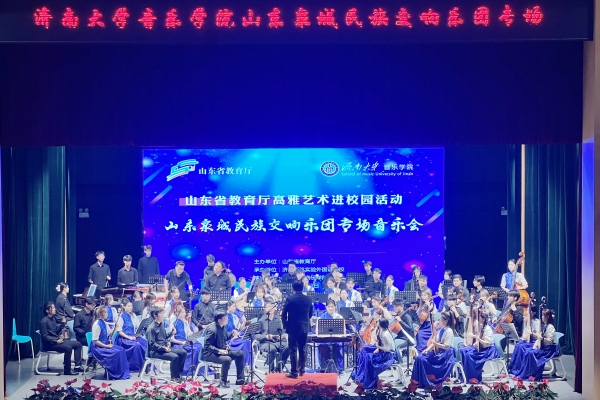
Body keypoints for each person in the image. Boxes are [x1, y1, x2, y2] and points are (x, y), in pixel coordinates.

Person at [509, 309, 559, 381]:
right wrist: (536, 344)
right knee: (528, 351)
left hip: (549, 349)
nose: (541, 317)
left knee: (530, 353)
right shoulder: (544, 325)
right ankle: (524, 371)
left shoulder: (550, 327)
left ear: (547, 316)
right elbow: (539, 338)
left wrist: (541, 338)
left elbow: (550, 341)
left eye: (543, 315)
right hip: (543, 346)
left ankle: (532, 374)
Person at [411, 312, 456, 388]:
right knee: (419, 358)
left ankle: (427, 382)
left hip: (446, 354)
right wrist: (427, 350)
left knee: (425, 361)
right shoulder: (442, 330)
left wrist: (436, 344)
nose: (439, 321)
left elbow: (446, 346)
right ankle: (417, 381)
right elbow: (435, 341)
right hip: (439, 350)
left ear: (446, 321)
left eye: (440, 319)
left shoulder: (449, 331)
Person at [39, 301, 84, 375]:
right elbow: (45, 336)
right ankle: (67, 370)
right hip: (49, 345)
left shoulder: (53, 318)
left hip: (57, 341)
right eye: (53, 307)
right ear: (47, 310)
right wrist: (56, 341)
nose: (55, 309)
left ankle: (77, 366)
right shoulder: (44, 322)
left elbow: (56, 331)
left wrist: (62, 324)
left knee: (78, 344)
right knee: (68, 348)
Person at [203, 313, 246, 387]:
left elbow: (225, 338)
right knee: (227, 359)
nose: (227, 319)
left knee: (240, 353)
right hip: (210, 354)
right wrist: (219, 351)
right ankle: (223, 381)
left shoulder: (223, 327)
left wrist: (232, 335)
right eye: (225, 318)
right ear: (219, 320)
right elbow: (207, 346)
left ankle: (240, 379)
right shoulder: (212, 330)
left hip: (221, 350)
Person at [352, 319, 396, 389]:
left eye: (378, 322)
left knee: (368, 357)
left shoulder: (385, 335)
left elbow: (388, 349)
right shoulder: (383, 332)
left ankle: (368, 381)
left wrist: (378, 347)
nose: (377, 323)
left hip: (388, 355)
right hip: (384, 351)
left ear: (380, 325)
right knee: (365, 349)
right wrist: (378, 347)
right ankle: (360, 373)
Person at [282, 280, 313, 378]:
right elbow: (310, 314)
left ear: (293, 288)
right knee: (302, 349)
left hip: (293, 327)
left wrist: (285, 325)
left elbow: (284, 313)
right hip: (304, 327)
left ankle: (294, 372)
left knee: (293, 349)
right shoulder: (308, 299)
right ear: (303, 287)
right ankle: (302, 370)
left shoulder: (290, 299)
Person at [146, 307, 187, 381]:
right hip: (155, 351)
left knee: (183, 352)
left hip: (164, 348)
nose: (163, 315)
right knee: (175, 357)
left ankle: (178, 373)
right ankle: (175, 377)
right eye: (161, 313)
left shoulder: (161, 324)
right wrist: (164, 348)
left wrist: (171, 333)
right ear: (155, 316)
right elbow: (152, 344)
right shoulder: (151, 328)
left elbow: (164, 337)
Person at [90, 305, 130, 380]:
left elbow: (110, 334)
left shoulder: (104, 323)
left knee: (121, 349)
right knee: (116, 352)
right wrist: (106, 346)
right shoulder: (97, 324)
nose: (107, 314)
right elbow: (95, 340)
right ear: (101, 314)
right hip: (98, 348)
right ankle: (114, 374)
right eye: (106, 312)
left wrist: (115, 327)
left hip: (105, 345)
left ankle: (121, 373)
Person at [460, 310, 498, 383]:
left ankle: (473, 377)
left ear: (483, 319)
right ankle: (464, 374)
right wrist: (476, 343)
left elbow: (486, 343)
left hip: (488, 350)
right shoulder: (479, 327)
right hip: (482, 347)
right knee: (464, 350)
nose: (477, 319)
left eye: (479, 317)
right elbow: (479, 339)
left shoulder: (488, 329)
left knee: (469, 355)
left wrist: (476, 338)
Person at [256, 301, 289, 373]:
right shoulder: (261, 320)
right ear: (265, 309)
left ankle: (278, 369)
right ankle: (271, 369)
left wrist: (281, 336)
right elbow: (256, 335)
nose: (270, 308)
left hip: (277, 341)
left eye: (272, 306)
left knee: (287, 347)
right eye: (268, 306)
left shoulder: (278, 319)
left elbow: (281, 331)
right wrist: (265, 337)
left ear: (275, 308)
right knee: (272, 349)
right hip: (266, 342)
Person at [115, 299, 147, 372]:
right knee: (137, 345)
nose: (130, 308)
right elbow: (119, 331)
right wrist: (129, 337)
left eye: (131, 306)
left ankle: (145, 365)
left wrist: (137, 333)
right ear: (124, 307)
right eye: (128, 306)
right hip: (123, 338)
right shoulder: (120, 317)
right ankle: (135, 366)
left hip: (133, 336)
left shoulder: (133, 315)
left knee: (144, 342)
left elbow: (137, 326)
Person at [170, 303, 202, 375]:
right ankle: (185, 370)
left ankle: (195, 368)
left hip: (185, 342)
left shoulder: (185, 323)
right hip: (177, 344)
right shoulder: (173, 323)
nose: (184, 314)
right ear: (177, 313)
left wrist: (194, 332)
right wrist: (181, 342)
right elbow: (171, 339)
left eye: (184, 312)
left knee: (198, 346)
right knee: (194, 349)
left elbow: (189, 334)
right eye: (182, 312)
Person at [316, 300, 344, 374]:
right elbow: (317, 331)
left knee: (338, 345)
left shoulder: (339, 317)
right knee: (322, 346)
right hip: (325, 340)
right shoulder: (321, 317)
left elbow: (343, 331)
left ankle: (338, 367)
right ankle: (324, 367)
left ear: (335, 307)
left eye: (332, 306)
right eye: (329, 307)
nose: (330, 308)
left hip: (336, 340)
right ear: (326, 307)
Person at [415, 289, 436, 354]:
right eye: (422, 295)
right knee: (416, 332)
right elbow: (418, 315)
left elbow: (434, 313)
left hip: (429, 326)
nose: (423, 297)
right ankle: (418, 351)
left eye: (425, 295)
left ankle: (423, 351)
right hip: (422, 325)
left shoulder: (432, 304)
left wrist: (428, 305)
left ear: (429, 296)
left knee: (420, 333)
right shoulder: (422, 305)